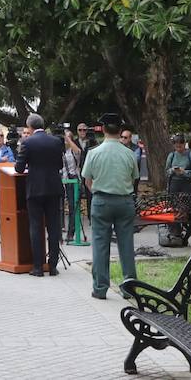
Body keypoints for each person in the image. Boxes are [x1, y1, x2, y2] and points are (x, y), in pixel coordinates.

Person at [83, 113, 139, 300]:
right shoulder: (130, 153)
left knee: (100, 245)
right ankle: (129, 288)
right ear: (120, 131)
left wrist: (98, 192)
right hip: (124, 201)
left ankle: (100, 288)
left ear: (104, 129)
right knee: (126, 245)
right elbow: (133, 178)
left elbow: (88, 181)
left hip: (101, 201)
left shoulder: (93, 153)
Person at [14, 113, 64, 277]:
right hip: (54, 188)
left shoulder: (27, 142)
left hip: (35, 190)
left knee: (35, 227)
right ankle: (53, 267)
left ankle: (37, 267)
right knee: (54, 227)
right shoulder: (56, 141)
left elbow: (19, 169)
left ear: (29, 127)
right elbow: (59, 164)